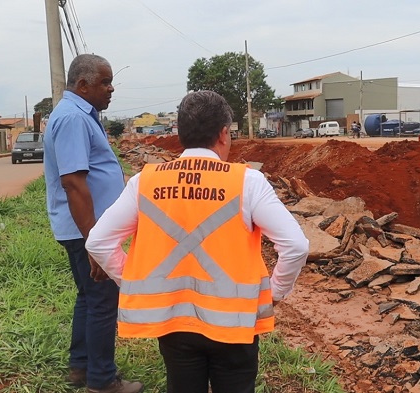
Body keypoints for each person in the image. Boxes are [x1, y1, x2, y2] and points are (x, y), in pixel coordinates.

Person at [86, 90, 309, 393]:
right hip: (235, 325)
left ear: (181, 133)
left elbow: (98, 241)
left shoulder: (145, 181)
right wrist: (276, 293)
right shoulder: (247, 181)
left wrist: (134, 281)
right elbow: (296, 246)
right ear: (223, 134)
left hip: (174, 321)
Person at [43, 54, 144, 393]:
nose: (111, 88)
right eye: (105, 82)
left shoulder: (82, 115)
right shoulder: (73, 118)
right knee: (103, 301)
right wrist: (94, 244)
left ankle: (81, 367)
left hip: (88, 229)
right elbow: (74, 183)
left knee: (88, 297)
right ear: (83, 85)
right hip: (87, 229)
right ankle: (102, 382)